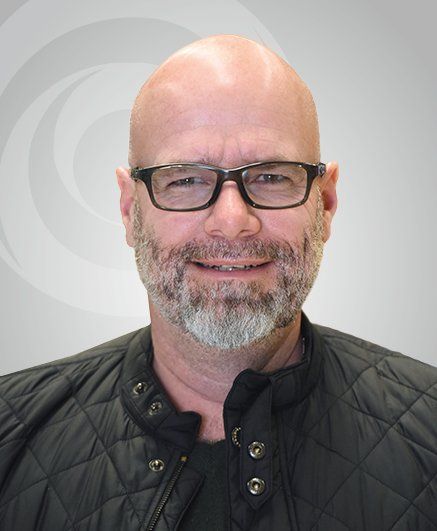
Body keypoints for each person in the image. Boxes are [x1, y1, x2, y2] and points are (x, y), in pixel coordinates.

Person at [0, 35, 436, 531]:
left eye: (271, 177)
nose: (231, 222)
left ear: (326, 203)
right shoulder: (9, 435)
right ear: (129, 209)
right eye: (185, 179)